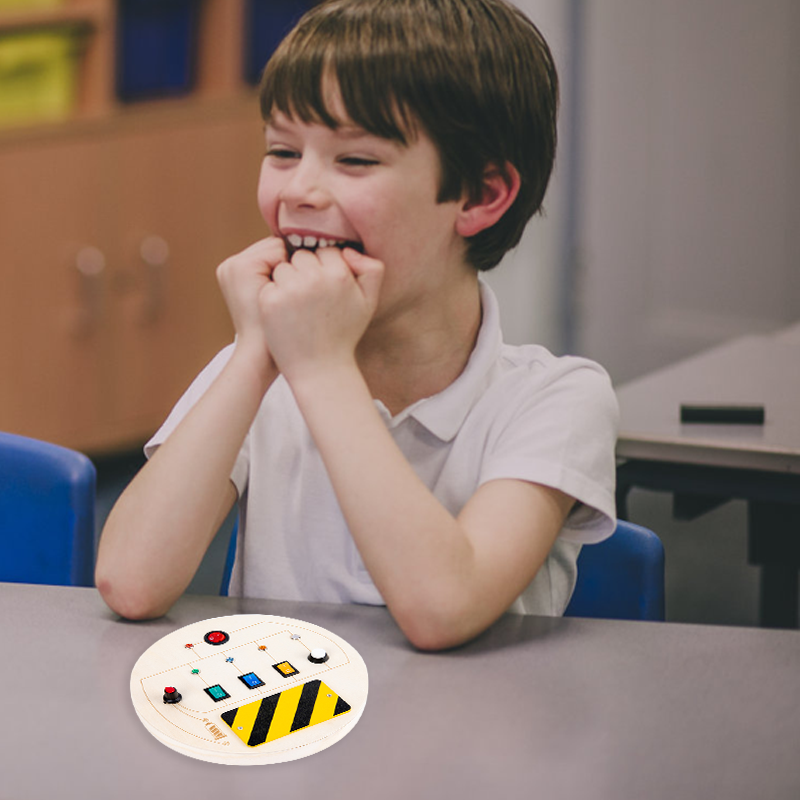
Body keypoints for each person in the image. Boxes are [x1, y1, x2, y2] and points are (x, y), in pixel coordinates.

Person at [95, 0, 618, 650]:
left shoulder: (556, 399)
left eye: (356, 161)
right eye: (283, 151)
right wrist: (257, 349)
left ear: (481, 196)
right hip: (290, 731)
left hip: (472, 743)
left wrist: (319, 368)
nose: (299, 192)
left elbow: (442, 608)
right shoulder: (266, 368)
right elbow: (130, 580)